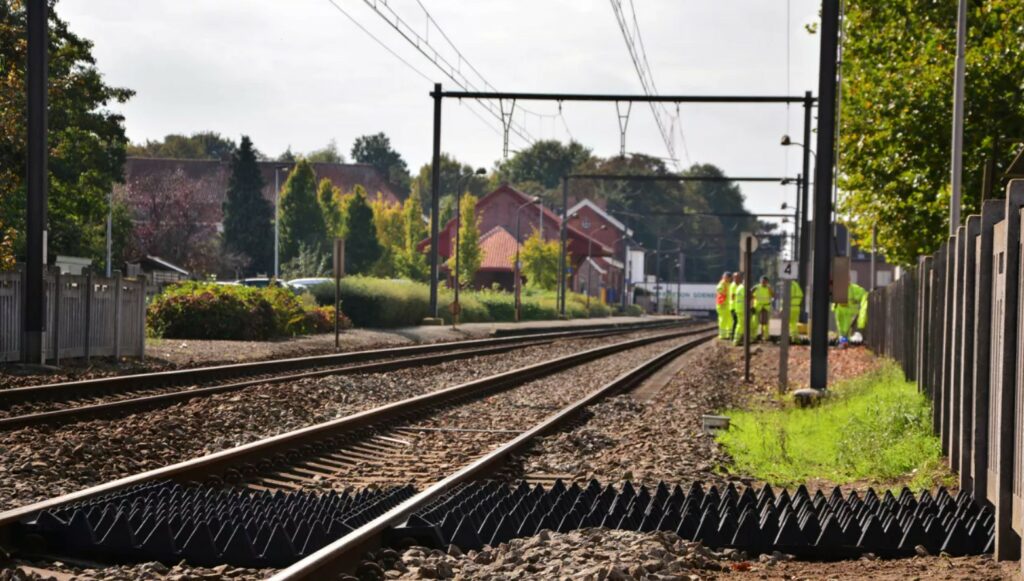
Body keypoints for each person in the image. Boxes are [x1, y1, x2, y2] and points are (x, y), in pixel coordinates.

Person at [752, 276, 774, 342]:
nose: (763, 283)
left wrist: (771, 290)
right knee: (755, 322)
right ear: (760, 281)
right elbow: (750, 294)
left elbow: (773, 295)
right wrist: (751, 305)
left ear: (767, 282)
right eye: (762, 281)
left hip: (766, 307)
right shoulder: (756, 287)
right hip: (757, 307)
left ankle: (766, 336)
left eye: (765, 282)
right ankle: (753, 336)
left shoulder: (769, 288)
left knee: (766, 323)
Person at [732, 275, 752, 346]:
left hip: (739, 308)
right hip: (743, 309)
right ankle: (736, 340)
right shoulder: (744, 288)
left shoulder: (739, 287)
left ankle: (740, 339)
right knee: (741, 325)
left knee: (741, 324)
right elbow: (748, 297)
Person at [715, 272, 732, 340]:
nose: (728, 279)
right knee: (723, 320)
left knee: (729, 320)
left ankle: (729, 334)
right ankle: (722, 335)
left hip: (727, 305)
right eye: (727, 277)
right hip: (722, 305)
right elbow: (719, 289)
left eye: (729, 278)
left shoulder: (728, 284)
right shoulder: (722, 284)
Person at [729, 271, 743, 341]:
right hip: (734, 307)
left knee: (737, 322)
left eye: (739, 277)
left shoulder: (739, 285)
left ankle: (734, 336)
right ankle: (733, 336)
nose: (738, 278)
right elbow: (733, 297)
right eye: (736, 277)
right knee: (736, 321)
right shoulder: (733, 285)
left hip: (737, 307)